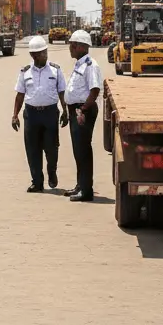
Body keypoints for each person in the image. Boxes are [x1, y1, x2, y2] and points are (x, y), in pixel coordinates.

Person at [11, 36, 68, 192]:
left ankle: (52, 172)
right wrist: (15, 115)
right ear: (33, 55)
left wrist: (65, 110)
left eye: (45, 52)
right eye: (41, 53)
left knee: (51, 147)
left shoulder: (55, 70)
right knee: (32, 149)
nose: (45, 55)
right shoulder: (25, 72)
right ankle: (37, 182)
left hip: (50, 114)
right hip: (31, 114)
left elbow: (62, 91)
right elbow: (20, 95)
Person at [65, 29, 103, 202]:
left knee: (83, 151)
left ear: (81, 47)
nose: (70, 48)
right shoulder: (80, 64)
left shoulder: (90, 65)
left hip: (83, 110)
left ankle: (86, 191)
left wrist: (83, 110)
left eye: (73, 45)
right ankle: (80, 185)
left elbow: (95, 90)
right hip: (76, 110)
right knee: (77, 151)